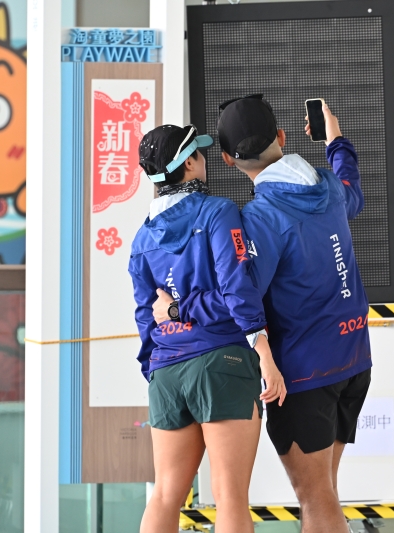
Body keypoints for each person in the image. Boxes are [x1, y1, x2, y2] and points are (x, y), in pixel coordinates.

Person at [154, 95, 371, 533]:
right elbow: (353, 189)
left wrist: (177, 308)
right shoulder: (329, 187)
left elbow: (240, 296)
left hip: (307, 374)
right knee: (325, 490)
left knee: (317, 497)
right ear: (282, 137)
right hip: (354, 359)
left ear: (227, 159)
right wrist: (335, 140)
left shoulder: (258, 218)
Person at [129, 124, 286, 533]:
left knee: (165, 495)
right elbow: (237, 290)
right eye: (198, 154)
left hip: (166, 370)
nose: (204, 161)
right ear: (189, 164)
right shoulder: (219, 212)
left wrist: (156, 370)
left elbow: (147, 316)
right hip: (222, 362)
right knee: (230, 496)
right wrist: (263, 351)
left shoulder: (142, 238)